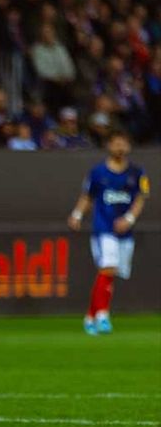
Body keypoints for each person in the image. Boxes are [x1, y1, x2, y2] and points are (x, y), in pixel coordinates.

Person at [67, 131, 149, 335]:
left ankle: (90, 316)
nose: (120, 147)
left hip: (125, 231)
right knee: (108, 267)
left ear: (128, 147)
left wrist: (129, 219)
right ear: (109, 146)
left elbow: (141, 197)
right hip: (104, 228)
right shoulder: (97, 173)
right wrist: (77, 214)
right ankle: (103, 315)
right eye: (116, 143)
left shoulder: (137, 173)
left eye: (124, 143)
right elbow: (87, 197)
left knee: (110, 274)